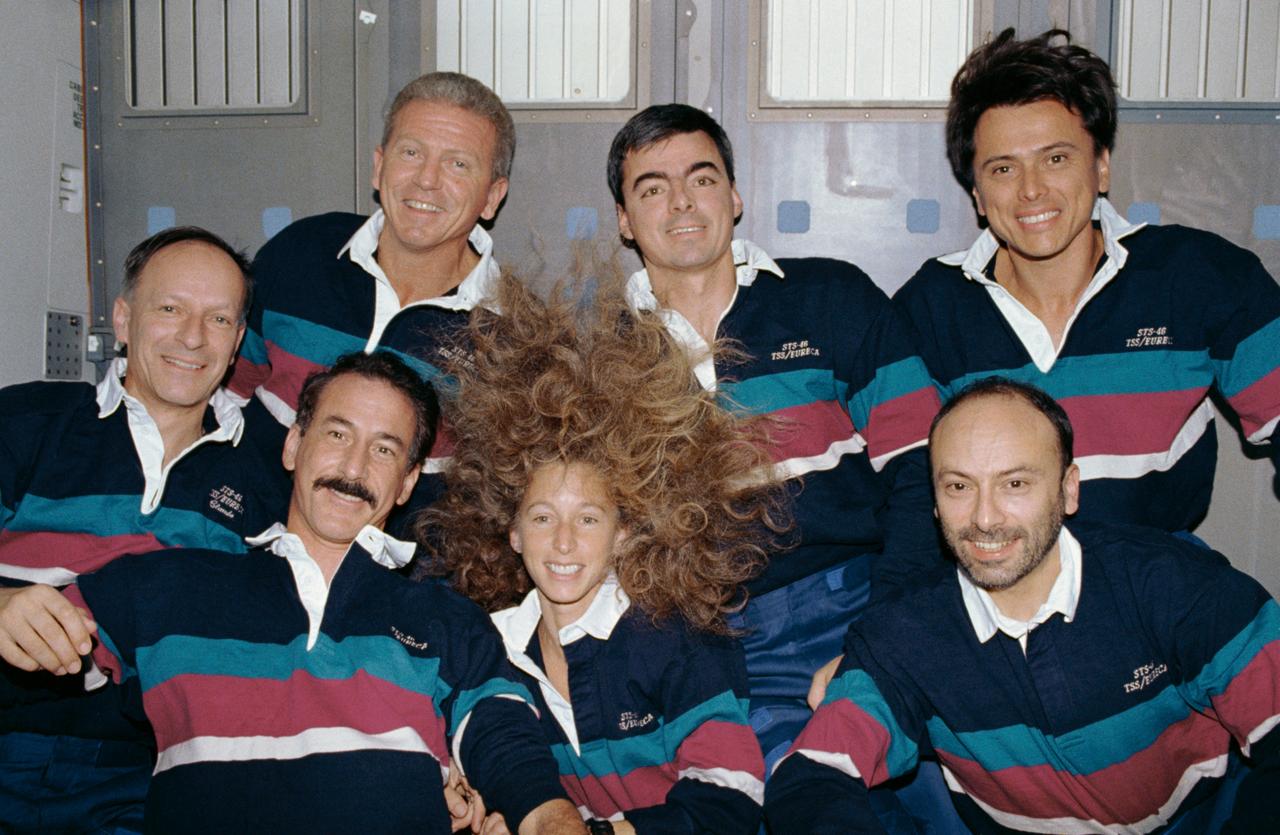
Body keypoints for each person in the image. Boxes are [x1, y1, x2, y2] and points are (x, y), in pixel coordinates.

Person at [7, 352, 585, 833]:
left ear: (408, 482)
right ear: (292, 446)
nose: (354, 467)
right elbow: (35, 655)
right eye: (337, 434)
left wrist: (548, 816)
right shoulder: (170, 587)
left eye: (384, 449)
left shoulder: (444, 619)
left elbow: (505, 739)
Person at [765, 377, 1280, 834]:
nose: (985, 518)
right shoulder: (903, 635)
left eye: (1015, 484)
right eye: (959, 486)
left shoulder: (1172, 583)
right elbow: (814, 775)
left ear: (1068, 489)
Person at [606, 103, 942, 774]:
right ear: (624, 219)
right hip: (692, 635)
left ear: (733, 195)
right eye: (651, 188)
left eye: (700, 178)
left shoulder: (829, 298)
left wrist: (883, 633)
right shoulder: (602, 363)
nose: (679, 201)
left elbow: (926, 470)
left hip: (845, 604)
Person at [421, 275, 777, 834]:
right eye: (542, 518)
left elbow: (730, 793)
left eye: (588, 519)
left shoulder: (674, 637)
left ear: (625, 534)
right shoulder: (486, 647)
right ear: (511, 532)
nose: (563, 543)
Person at [894, 28, 1280, 536]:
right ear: (978, 195)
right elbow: (904, 499)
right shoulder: (931, 309)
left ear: (1101, 168)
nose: (1032, 190)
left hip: (1157, 591)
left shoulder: (1197, 276)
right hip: (991, 599)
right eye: (1004, 168)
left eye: (1056, 159)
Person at [0, 226, 287, 832]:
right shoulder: (27, 423)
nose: (191, 337)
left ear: (237, 341)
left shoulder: (266, 480)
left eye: (216, 319)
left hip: (142, 777)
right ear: (124, 319)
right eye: (170, 308)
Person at [227, 71, 515, 531]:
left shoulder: (514, 335)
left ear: (492, 196)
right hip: (241, 555)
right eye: (411, 152)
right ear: (379, 167)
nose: (427, 180)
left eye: (458, 164)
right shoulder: (297, 256)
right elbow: (222, 397)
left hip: (401, 586)